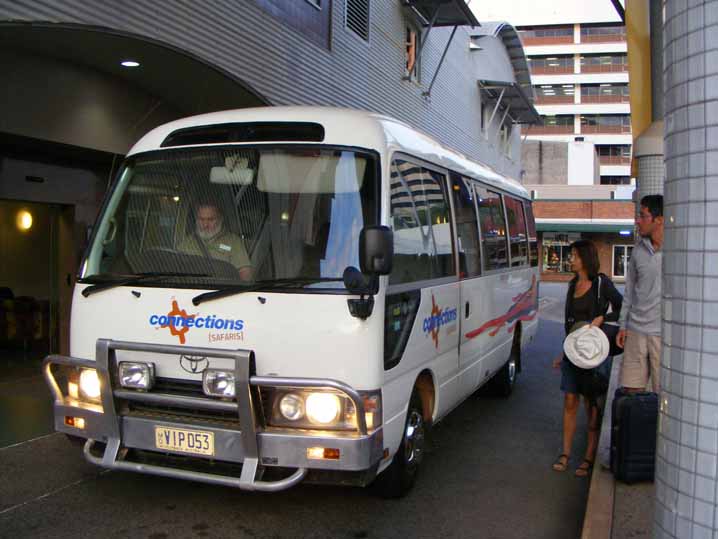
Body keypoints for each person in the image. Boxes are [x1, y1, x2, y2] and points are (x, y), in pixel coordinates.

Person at [552, 240, 623, 477]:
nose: (570, 259)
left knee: (590, 404)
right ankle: (565, 453)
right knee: (569, 401)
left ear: (585, 258)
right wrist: (563, 352)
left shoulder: (601, 283)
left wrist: (603, 318)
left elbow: (623, 306)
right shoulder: (573, 285)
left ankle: (588, 457)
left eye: (573, 255)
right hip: (573, 353)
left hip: (594, 354)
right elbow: (569, 323)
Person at [617, 194, 664, 393]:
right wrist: (622, 324)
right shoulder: (638, 251)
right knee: (631, 393)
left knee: (662, 395)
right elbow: (629, 291)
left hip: (661, 334)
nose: (638, 221)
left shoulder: (678, 250)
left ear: (659, 219)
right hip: (635, 330)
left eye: (643, 216)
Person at [180, 202, 253, 281]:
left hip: (222, 289)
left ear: (220, 219)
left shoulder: (233, 242)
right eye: (201, 219)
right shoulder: (187, 242)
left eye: (210, 220)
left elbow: (245, 272)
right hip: (191, 288)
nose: (205, 225)